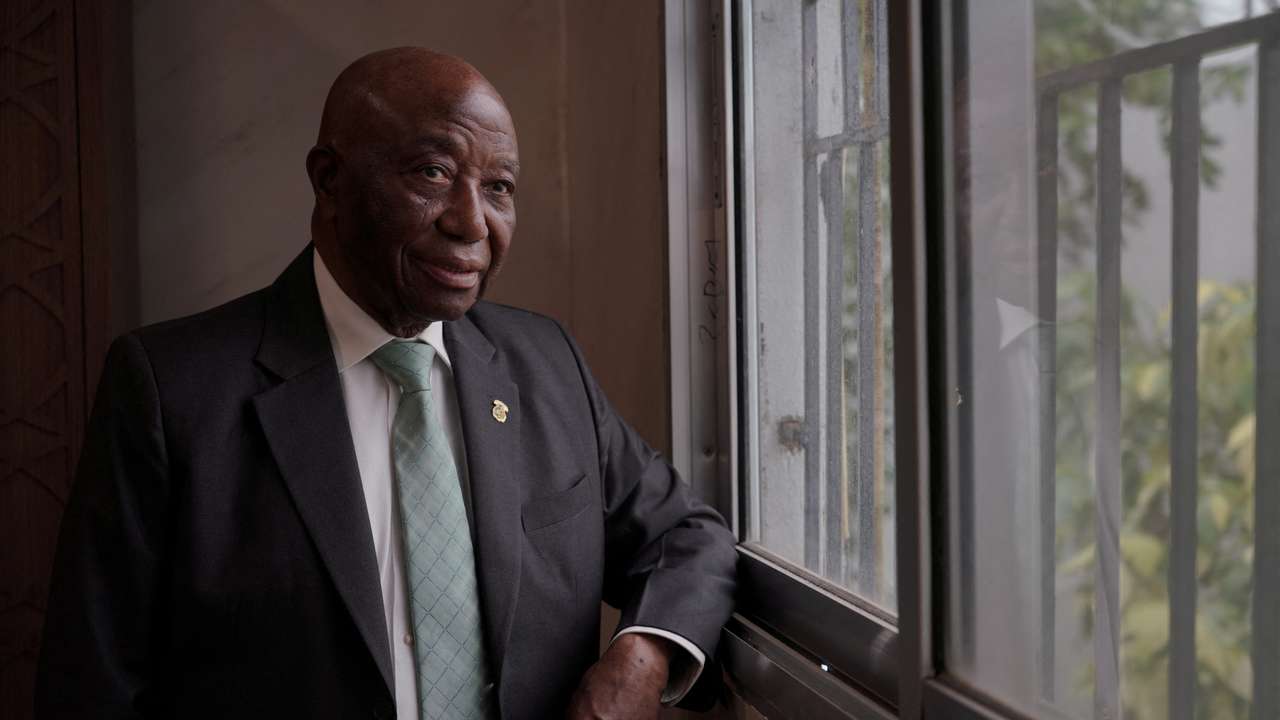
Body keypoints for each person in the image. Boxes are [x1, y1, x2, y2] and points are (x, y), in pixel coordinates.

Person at [35, 48, 737, 720]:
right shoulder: (171, 389)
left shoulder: (544, 361)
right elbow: (92, 683)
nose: (472, 223)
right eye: (433, 173)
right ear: (330, 180)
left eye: (498, 188)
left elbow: (683, 535)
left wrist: (642, 656)